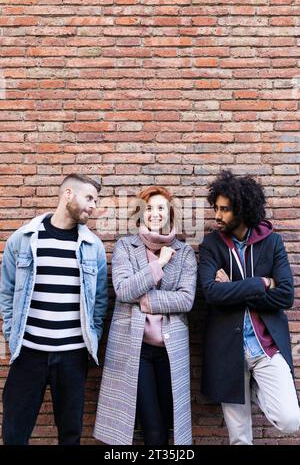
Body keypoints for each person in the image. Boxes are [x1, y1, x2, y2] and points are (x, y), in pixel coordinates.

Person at [0, 173, 108, 445]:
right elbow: (7, 291)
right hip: (28, 354)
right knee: (14, 433)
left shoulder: (93, 246)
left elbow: (100, 301)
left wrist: (90, 338)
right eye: (89, 198)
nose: (93, 206)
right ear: (68, 195)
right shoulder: (24, 239)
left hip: (72, 357)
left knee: (70, 434)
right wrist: (13, 336)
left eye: (96, 200)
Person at [198, 169, 300, 445]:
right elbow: (210, 292)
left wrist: (233, 286)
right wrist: (260, 283)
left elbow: (286, 296)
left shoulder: (272, 242)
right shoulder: (211, 245)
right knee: (240, 438)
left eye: (225, 210)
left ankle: (256, 389)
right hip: (227, 351)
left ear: (243, 211)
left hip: (265, 346)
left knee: (291, 419)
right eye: (215, 208)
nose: (217, 216)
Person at [94, 185, 197, 445]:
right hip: (134, 348)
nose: (154, 213)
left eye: (160, 208)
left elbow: (186, 299)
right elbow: (124, 290)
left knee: (166, 423)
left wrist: (147, 300)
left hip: (170, 350)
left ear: (169, 213)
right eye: (149, 208)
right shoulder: (125, 247)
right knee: (151, 426)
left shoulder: (184, 252)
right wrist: (159, 264)